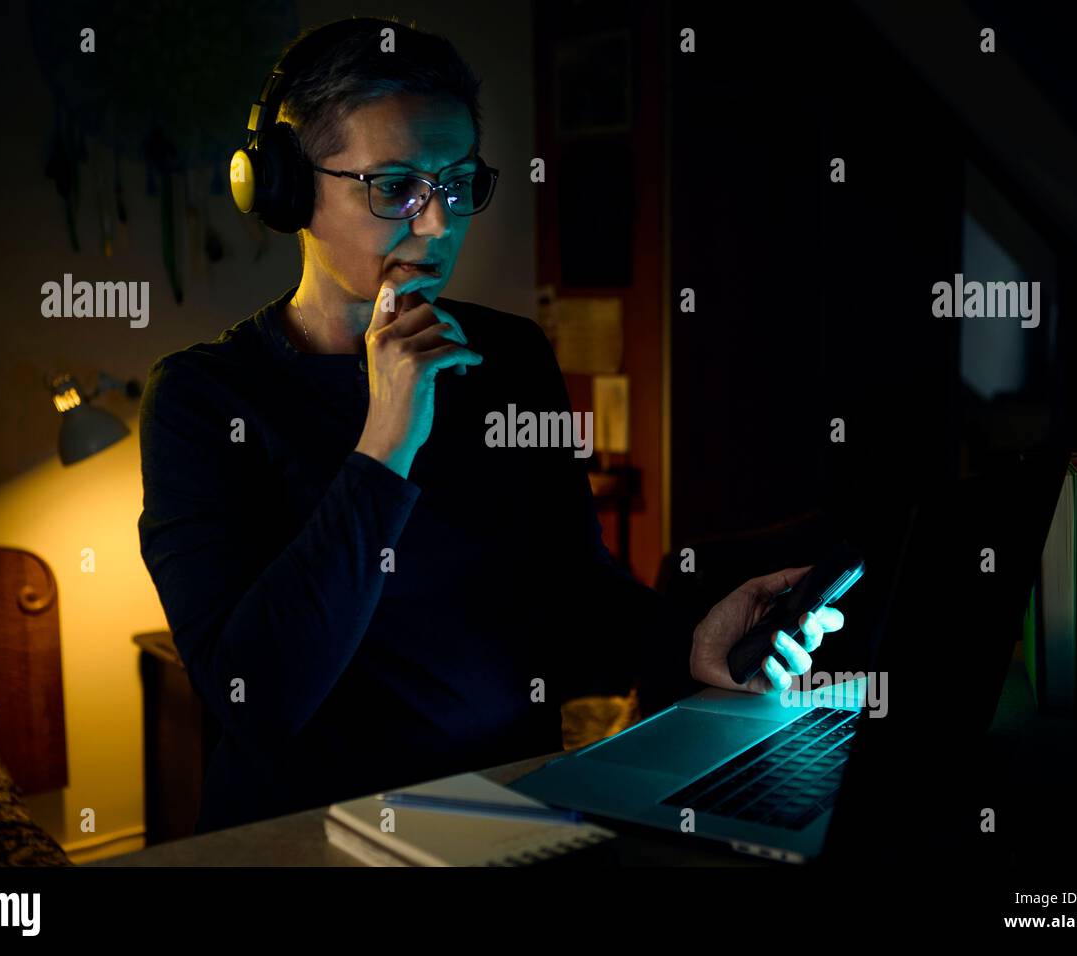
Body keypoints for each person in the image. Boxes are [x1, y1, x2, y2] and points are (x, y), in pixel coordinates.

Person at [137, 17, 843, 833]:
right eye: (395, 187)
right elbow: (255, 701)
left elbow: (576, 604)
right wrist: (386, 439)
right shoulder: (201, 401)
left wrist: (695, 640)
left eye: (458, 183)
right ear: (291, 191)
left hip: (508, 817)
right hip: (313, 835)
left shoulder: (508, 357)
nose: (437, 224)